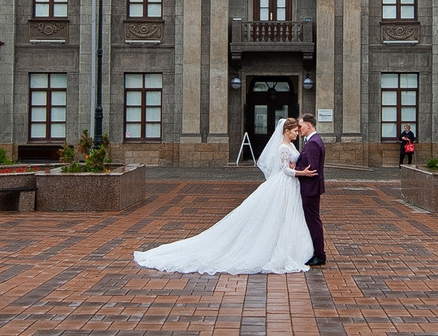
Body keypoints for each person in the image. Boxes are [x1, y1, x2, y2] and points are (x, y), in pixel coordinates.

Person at [133, 118, 316, 274]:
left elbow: (288, 165)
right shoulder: (283, 147)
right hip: (283, 184)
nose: (296, 134)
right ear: (285, 131)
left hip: (289, 186)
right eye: (293, 131)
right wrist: (302, 173)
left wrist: (295, 168)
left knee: (285, 217)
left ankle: (285, 246)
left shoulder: (290, 144)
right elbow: (284, 170)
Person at [295, 114, 327, 266]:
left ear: (308, 125)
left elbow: (312, 168)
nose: (298, 129)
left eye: (300, 126)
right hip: (310, 188)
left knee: (313, 221)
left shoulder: (313, 143)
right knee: (312, 220)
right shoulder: (312, 141)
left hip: (311, 189)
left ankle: (319, 254)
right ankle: (315, 251)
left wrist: (295, 170)